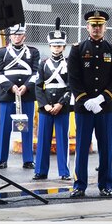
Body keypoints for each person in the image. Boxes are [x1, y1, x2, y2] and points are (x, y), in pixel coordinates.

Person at [0, 24, 39, 170]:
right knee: (4, 128)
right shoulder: (2, 52)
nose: (17, 37)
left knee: (27, 128)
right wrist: (10, 87)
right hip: (7, 95)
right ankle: (1, 159)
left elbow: (36, 73)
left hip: (27, 94)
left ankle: (28, 159)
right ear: (10, 36)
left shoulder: (33, 52)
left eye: (20, 35)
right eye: (14, 35)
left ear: (24, 36)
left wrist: (26, 86)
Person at [34, 19, 72, 181]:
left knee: (63, 141)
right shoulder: (43, 64)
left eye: (59, 45)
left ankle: (64, 172)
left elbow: (71, 87)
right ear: (49, 46)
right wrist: (46, 105)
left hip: (61, 107)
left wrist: (60, 104)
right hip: (46, 107)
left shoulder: (70, 64)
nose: (57, 48)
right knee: (43, 140)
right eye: (54, 45)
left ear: (64, 46)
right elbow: (38, 86)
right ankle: (41, 171)